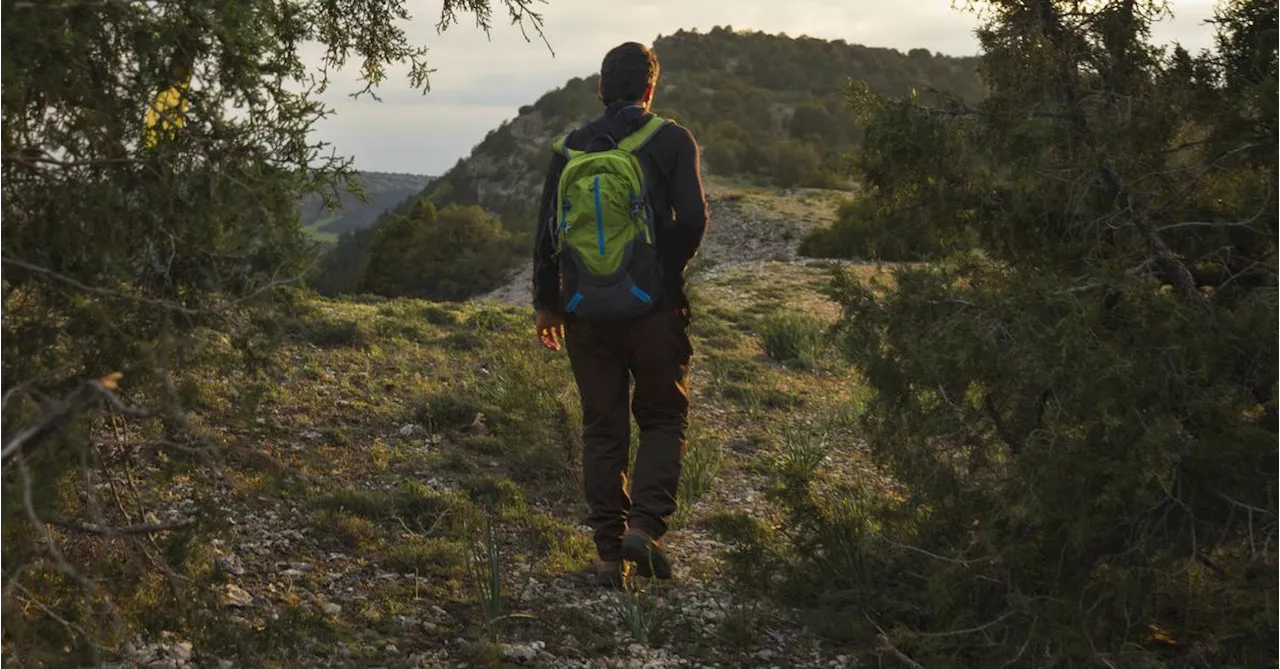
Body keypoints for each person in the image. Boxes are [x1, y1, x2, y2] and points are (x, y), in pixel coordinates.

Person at [531, 42, 708, 588]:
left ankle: (609, 559)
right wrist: (660, 275)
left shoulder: (570, 148)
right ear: (651, 88)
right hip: (654, 313)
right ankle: (646, 528)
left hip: (586, 312)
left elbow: (546, 235)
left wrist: (547, 306)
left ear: (602, 89)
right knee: (661, 417)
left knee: (602, 429)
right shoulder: (672, 139)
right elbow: (694, 219)